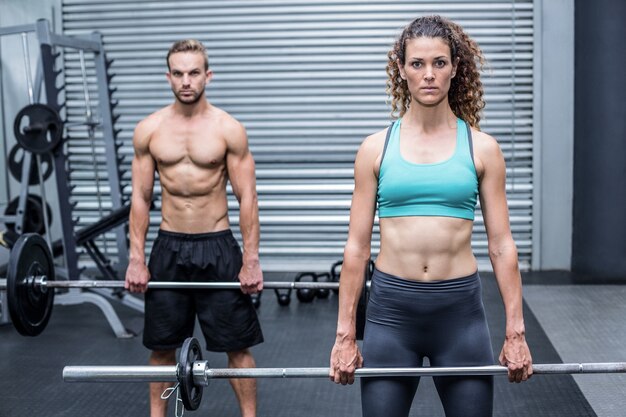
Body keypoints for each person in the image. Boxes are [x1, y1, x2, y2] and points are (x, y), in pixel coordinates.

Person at [329, 15, 533, 417]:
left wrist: (516, 331)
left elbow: (502, 244)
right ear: (401, 69)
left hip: (460, 316)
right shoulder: (375, 148)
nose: (429, 75)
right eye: (418, 64)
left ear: (455, 68)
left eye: (439, 63)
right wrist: (345, 334)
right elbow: (356, 247)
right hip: (390, 313)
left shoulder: (482, 148)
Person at [125, 39, 264, 417]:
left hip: (217, 246)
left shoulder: (228, 129)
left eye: (194, 73)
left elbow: (247, 197)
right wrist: (136, 258)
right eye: (178, 73)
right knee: (161, 347)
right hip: (169, 246)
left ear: (208, 75)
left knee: (237, 346)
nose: (186, 81)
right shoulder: (149, 130)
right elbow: (140, 198)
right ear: (168, 76)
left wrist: (250, 259)